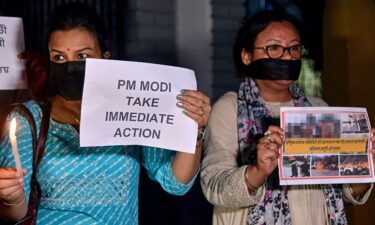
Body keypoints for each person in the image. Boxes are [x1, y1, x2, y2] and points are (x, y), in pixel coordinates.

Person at [0, 3, 210, 225]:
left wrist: (194, 130)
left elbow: (175, 182)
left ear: (106, 57)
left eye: (83, 56)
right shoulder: (28, 119)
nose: (71, 66)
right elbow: (16, 214)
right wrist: (11, 198)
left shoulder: (132, 109)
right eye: (59, 57)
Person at [200, 10, 373, 225]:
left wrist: (365, 166)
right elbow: (213, 185)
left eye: (294, 48)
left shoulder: (318, 108)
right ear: (247, 56)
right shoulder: (229, 108)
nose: (288, 56)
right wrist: (257, 171)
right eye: (274, 48)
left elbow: (340, 194)